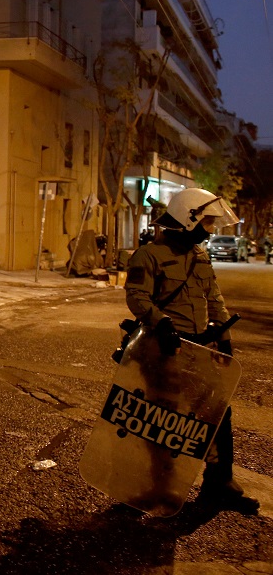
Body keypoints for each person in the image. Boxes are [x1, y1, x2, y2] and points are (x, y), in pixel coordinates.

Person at [124, 187, 259, 513]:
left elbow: (213, 296)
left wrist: (223, 334)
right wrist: (162, 322)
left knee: (217, 412)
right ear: (188, 219)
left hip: (199, 348)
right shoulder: (148, 256)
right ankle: (157, 485)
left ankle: (219, 483)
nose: (210, 229)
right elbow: (136, 297)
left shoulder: (200, 255)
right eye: (207, 221)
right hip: (165, 348)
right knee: (163, 418)